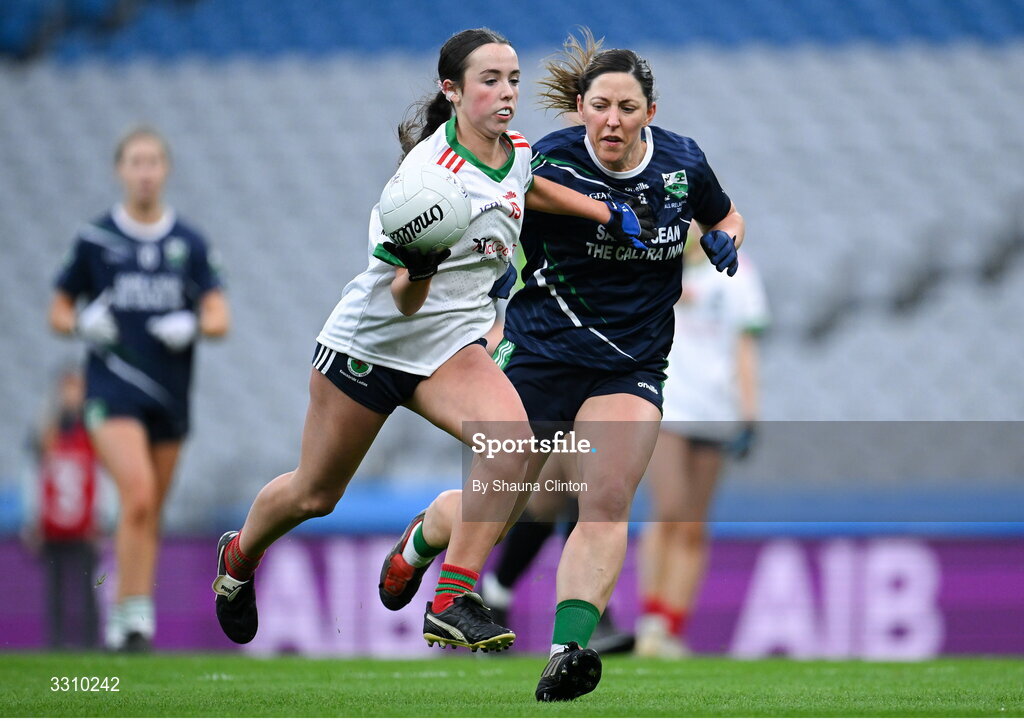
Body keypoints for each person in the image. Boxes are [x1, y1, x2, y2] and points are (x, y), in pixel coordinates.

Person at [212, 27, 654, 654]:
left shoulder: (516, 150)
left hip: (449, 347)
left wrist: (604, 212)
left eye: (513, 79)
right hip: (371, 347)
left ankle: (453, 600)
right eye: (490, 81)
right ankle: (238, 558)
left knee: (513, 449)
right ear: (452, 90)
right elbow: (402, 296)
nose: (506, 94)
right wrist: (420, 268)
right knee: (314, 494)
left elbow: (526, 185)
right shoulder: (424, 182)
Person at [380, 29, 744, 701]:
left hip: (630, 364)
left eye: (628, 107)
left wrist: (722, 238)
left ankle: (566, 649)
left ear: (650, 114)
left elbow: (726, 215)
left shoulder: (683, 163)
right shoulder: (543, 163)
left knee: (605, 500)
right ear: (580, 107)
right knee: (511, 503)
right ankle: (431, 529)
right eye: (601, 104)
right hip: (541, 352)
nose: (613, 119)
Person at [49, 127, 230, 651]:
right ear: (120, 170)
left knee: (148, 509)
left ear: (165, 170)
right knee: (139, 492)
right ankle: (131, 615)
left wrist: (193, 323)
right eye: (136, 161)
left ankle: (129, 609)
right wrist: (81, 322)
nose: (145, 171)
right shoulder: (96, 240)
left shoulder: (188, 243)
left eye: (153, 161)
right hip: (111, 387)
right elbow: (58, 309)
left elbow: (219, 313)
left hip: (170, 393)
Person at [636, 230, 769, 658]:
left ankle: (671, 626)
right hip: (668, 405)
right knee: (669, 508)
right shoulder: (656, 268)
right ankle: (651, 619)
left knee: (693, 523)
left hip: (716, 411)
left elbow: (744, 348)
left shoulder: (740, 275)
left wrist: (750, 413)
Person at [21, 364, 101, 649]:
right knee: (55, 591)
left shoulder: (94, 431)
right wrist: (33, 520)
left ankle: (91, 643)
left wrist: (102, 520)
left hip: (83, 527)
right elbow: (34, 476)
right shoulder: (47, 432)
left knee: (87, 590)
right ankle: (55, 643)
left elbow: (104, 475)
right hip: (53, 527)